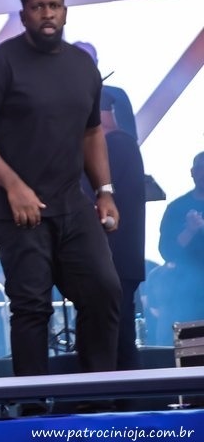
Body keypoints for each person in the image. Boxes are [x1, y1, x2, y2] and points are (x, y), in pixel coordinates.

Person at [0, 0, 122, 377]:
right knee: (32, 307)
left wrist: (104, 190)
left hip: (70, 203)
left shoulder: (82, 67)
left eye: (54, 6)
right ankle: (32, 404)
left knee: (104, 291)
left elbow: (92, 132)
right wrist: (14, 186)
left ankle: (96, 396)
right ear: (24, 15)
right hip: (15, 210)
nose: (47, 13)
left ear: (64, 12)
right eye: (38, 7)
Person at [91, 92, 147, 370]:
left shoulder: (115, 145)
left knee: (116, 334)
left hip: (116, 258)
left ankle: (121, 391)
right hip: (119, 259)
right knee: (116, 330)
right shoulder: (123, 144)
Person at [156, 151, 204, 338]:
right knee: (190, 347)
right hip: (187, 294)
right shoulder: (176, 208)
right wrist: (190, 231)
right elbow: (166, 251)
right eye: (200, 168)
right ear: (192, 172)